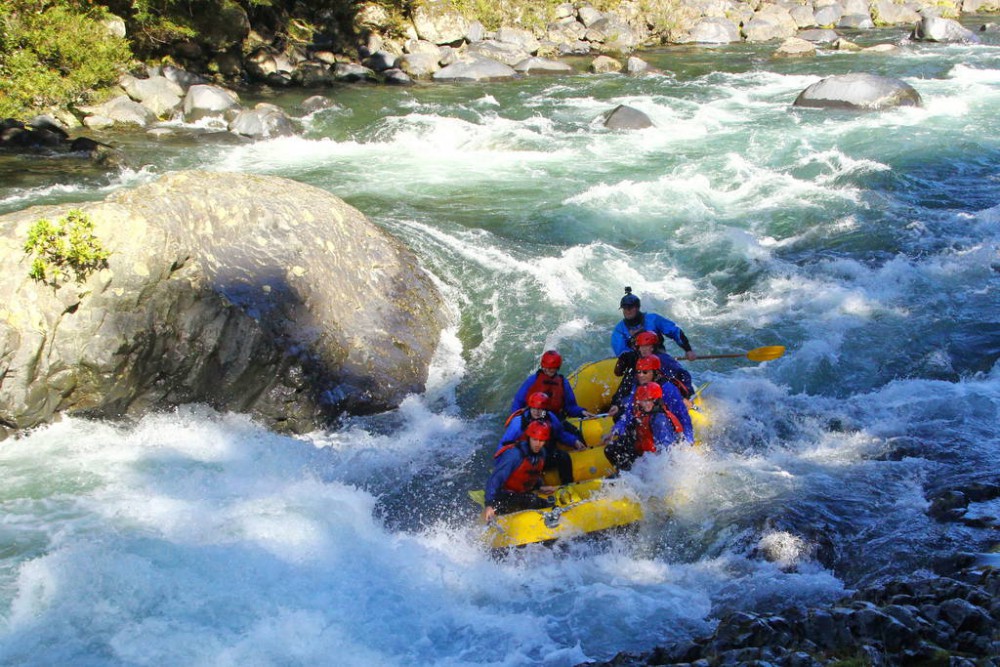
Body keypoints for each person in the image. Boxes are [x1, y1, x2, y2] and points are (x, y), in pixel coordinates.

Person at [499, 391, 584, 485]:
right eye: (534, 408)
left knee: (563, 457)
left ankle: (568, 485)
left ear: (545, 409)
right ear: (530, 407)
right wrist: (502, 465)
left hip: (543, 454)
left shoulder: (550, 417)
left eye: (540, 409)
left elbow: (560, 433)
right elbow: (504, 444)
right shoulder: (519, 422)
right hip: (524, 458)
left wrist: (574, 441)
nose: (537, 412)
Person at [482, 420, 557, 523]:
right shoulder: (514, 455)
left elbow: (531, 473)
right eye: (535, 439)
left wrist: (539, 486)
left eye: (541, 440)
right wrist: (489, 504)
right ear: (529, 438)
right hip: (503, 495)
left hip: (521, 494)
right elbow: (495, 479)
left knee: (541, 502)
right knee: (530, 500)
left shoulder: (542, 453)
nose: (538, 444)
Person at [604, 382, 689, 471]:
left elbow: (666, 451)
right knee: (610, 450)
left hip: (655, 458)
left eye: (649, 400)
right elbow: (626, 418)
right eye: (643, 400)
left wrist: (647, 465)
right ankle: (626, 473)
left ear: (656, 400)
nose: (645, 403)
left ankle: (633, 477)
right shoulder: (641, 408)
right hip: (643, 448)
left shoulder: (659, 421)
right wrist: (613, 432)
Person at [607, 356, 693, 443]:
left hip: (664, 427)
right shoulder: (637, 385)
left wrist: (689, 440)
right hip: (647, 425)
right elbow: (629, 411)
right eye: (638, 372)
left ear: (654, 372)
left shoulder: (667, 388)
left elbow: (682, 416)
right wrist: (616, 430)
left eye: (645, 372)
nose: (641, 375)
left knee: (658, 419)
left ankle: (664, 448)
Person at [509, 349, 595, 437]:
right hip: (533, 415)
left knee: (575, 433)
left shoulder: (563, 383)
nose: (547, 370)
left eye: (551, 368)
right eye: (545, 367)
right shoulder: (532, 380)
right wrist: (516, 419)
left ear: (557, 368)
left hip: (552, 417)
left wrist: (581, 412)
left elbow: (570, 406)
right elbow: (518, 401)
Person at [611, 286, 697, 362]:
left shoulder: (653, 319)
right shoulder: (619, 329)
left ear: (637, 307)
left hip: (659, 358)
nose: (627, 311)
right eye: (624, 308)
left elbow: (675, 331)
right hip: (636, 363)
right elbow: (621, 351)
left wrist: (688, 350)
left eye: (630, 308)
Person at [613, 330, 694, 403]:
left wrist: (687, 396)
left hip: (661, 393)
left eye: (647, 346)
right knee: (631, 377)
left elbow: (684, 374)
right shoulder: (635, 359)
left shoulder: (664, 359)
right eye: (641, 346)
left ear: (653, 347)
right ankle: (617, 403)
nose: (644, 349)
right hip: (645, 393)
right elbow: (626, 381)